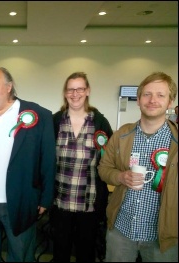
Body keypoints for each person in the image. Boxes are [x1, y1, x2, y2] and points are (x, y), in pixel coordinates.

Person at [0, 67, 56, 262]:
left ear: (9, 87)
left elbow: (48, 159)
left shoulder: (38, 115)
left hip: (22, 200)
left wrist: (45, 198)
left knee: (21, 254)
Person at [98, 72, 178, 262]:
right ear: (138, 100)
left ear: (170, 102)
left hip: (164, 237)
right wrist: (120, 177)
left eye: (160, 95)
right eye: (147, 94)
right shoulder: (121, 135)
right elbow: (104, 169)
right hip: (121, 231)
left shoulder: (175, 141)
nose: (152, 100)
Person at [50, 72, 113, 262]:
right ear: (65, 93)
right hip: (60, 201)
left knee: (86, 253)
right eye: (70, 89)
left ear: (87, 91)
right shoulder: (55, 121)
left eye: (80, 89)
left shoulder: (100, 122)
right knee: (60, 253)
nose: (75, 93)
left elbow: (108, 160)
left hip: (90, 202)